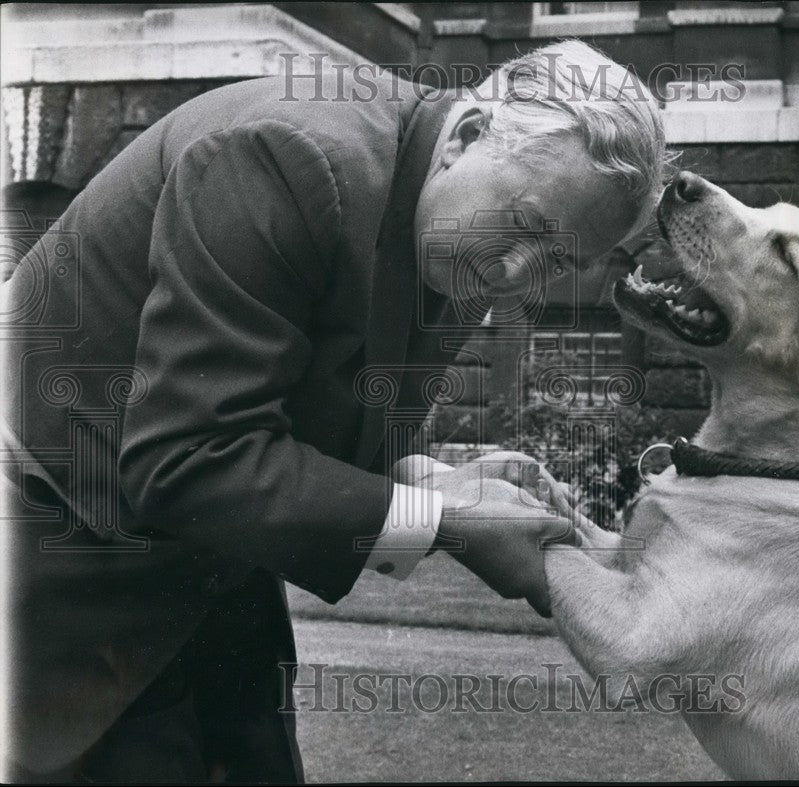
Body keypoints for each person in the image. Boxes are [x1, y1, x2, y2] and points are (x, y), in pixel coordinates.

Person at [1, 39, 665, 783]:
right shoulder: (283, 158)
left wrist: (441, 481)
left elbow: (310, 434)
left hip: (214, 570)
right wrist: (446, 526)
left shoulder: (452, 227)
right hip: (63, 569)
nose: (518, 276)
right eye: (530, 227)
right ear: (471, 135)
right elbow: (185, 461)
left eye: (560, 261)